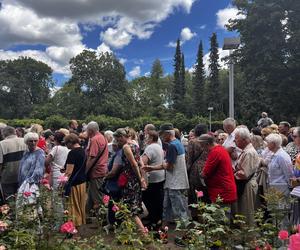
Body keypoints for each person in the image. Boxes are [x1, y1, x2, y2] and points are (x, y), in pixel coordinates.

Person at [143, 123, 189, 225]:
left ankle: (185, 231)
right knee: (167, 206)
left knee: (179, 209)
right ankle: (163, 227)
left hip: (175, 183)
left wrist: (156, 166)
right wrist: (155, 167)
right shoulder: (178, 143)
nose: (161, 137)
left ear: (168, 134)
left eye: (162, 135)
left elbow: (169, 166)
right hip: (175, 181)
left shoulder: (172, 146)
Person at [113, 128, 147, 234]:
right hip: (135, 180)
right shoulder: (135, 144)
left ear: (122, 137)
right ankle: (127, 231)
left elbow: (134, 164)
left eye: (118, 139)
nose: (117, 142)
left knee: (130, 208)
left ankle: (143, 233)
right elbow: (141, 163)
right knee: (130, 206)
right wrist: (143, 178)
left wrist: (141, 179)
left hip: (130, 180)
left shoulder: (126, 147)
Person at [231, 127, 260, 226]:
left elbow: (244, 174)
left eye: (236, 138)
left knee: (246, 212)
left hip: (247, 185)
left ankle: (249, 237)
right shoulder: (246, 151)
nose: (234, 140)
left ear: (244, 139)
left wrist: (232, 173)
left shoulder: (249, 153)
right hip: (245, 184)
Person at [199, 134, 237, 205]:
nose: (202, 148)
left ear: (207, 144)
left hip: (221, 192)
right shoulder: (221, 149)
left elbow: (205, 173)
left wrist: (201, 174)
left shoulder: (215, 152)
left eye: (202, 146)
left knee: (220, 214)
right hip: (225, 189)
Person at [141, 130, 165, 228]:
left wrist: (142, 178)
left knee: (148, 198)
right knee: (157, 198)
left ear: (151, 138)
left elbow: (143, 163)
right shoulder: (159, 146)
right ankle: (156, 217)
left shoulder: (150, 148)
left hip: (152, 178)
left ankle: (153, 220)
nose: (145, 139)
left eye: (146, 137)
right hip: (160, 176)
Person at [45, 131, 69, 223]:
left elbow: (47, 162)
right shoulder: (67, 148)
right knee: (64, 197)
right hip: (65, 174)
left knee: (57, 197)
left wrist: (47, 154)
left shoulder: (56, 148)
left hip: (56, 175)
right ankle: (66, 218)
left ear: (55, 140)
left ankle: (59, 221)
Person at [63, 134, 87, 227]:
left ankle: (72, 229)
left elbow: (69, 172)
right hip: (82, 182)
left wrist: (63, 183)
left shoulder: (72, 153)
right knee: (80, 205)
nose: (66, 145)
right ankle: (79, 225)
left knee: (73, 205)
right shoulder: (83, 151)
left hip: (74, 183)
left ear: (70, 142)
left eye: (66, 143)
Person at [187, 124, 210, 215]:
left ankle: (197, 213)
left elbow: (189, 158)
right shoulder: (209, 140)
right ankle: (206, 211)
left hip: (195, 171)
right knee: (204, 190)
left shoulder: (193, 142)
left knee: (196, 191)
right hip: (207, 168)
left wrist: (187, 170)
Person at [85, 121, 109, 211]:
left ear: (90, 130)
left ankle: (103, 220)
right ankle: (86, 215)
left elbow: (92, 158)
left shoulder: (94, 139)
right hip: (101, 169)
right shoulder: (102, 137)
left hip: (96, 172)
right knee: (91, 195)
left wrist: (85, 171)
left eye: (87, 130)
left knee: (98, 199)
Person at [0, 126, 27, 201]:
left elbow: (0, 163)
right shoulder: (24, 141)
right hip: (23, 175)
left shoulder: (2, 144)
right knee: (22, 199)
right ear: (15, 132)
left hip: (7, 177)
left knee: (10, 200)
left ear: (3, 134)